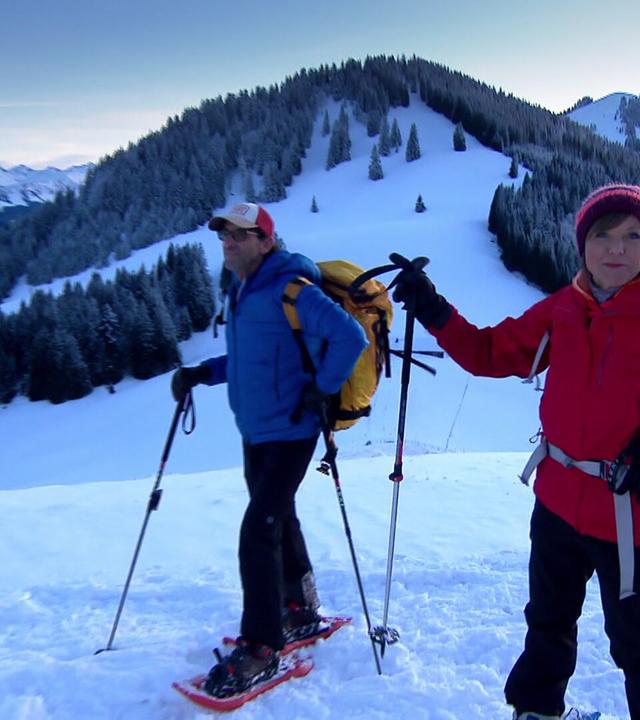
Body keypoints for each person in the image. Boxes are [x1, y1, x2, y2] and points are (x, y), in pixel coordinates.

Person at [392, 184, 640, 720]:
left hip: (630, 520)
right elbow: (488, 352)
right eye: (603, 235)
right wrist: (433, 308)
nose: (617, 249)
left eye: (634, 236)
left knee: (637, 644)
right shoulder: (562, 309)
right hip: (557, 503)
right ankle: (536, 712)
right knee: (547, 624)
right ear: (583, 245)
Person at [171, 202, 367, 696]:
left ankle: (262, 647)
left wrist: (323, 386)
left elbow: (350, 337)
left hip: (292, 430)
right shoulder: (243, 291)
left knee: (257, 531)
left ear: (265, 241)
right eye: (224, 236)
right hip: (255, 431)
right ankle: (299, 608)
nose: (229, 243)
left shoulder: (292, 289)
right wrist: (203, 373)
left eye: (240, 235)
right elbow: (251, 357)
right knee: (279, 517)